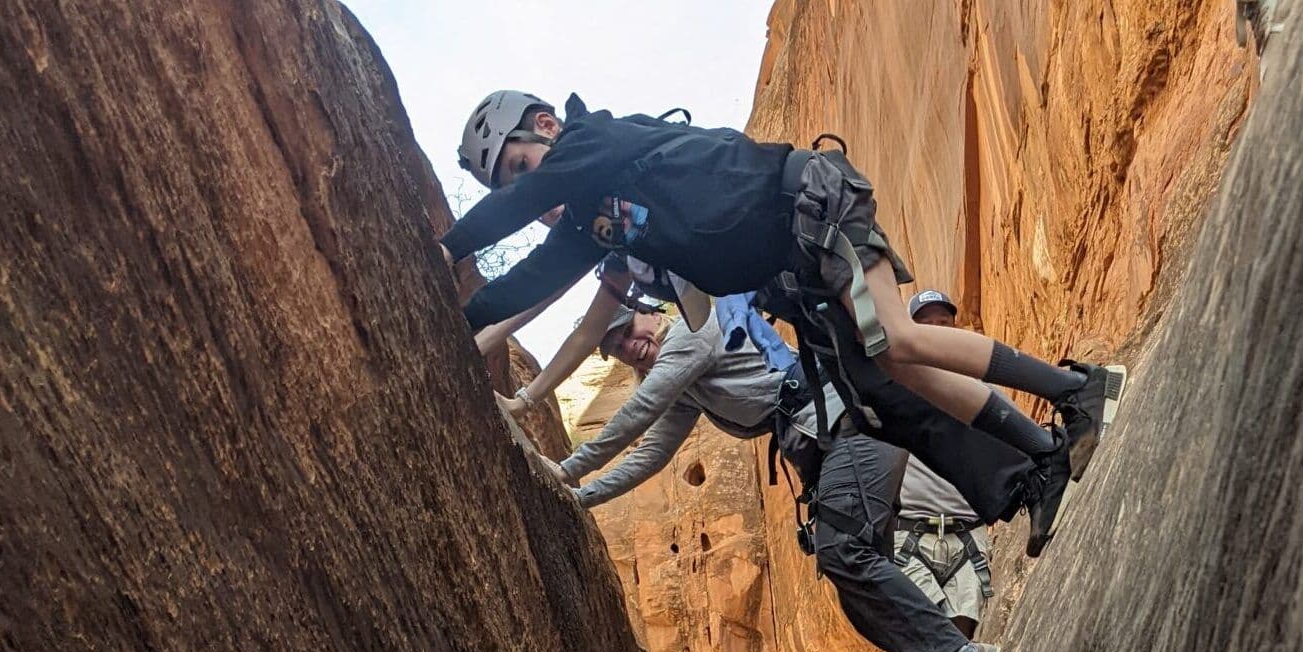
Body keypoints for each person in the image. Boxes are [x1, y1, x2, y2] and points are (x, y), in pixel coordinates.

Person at [439, 90, 1126, 556]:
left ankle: (1079, 390)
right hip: (800, 264)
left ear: (547, 128)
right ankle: (1040, 469)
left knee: (899, 337)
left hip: (812, 204)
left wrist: (446, 250)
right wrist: (460, 321)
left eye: (523, 167)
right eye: (516, 185)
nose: (531, 193)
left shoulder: (595, 140)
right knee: (891, 380)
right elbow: (536, 281)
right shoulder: (594, 219)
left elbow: (531, 201)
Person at [556, 301, 1027, 652]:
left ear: (648, 313)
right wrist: (584, 496)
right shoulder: (687, 388)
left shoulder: (693, 333)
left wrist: (565, 470)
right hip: (833, 450)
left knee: (842, 549)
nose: (627, 348)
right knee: (860, 600)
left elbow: (639, 410)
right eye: (615, 348)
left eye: (626, 331)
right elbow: (650, 455)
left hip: (856, 429)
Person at [894, 291, 993, 652]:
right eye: (926, 322)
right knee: (923, 642)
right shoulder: (895, 388)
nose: (937, 328)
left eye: (944, 321)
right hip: (912, 534)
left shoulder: (979, 389)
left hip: (966, 534)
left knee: (959, 642)